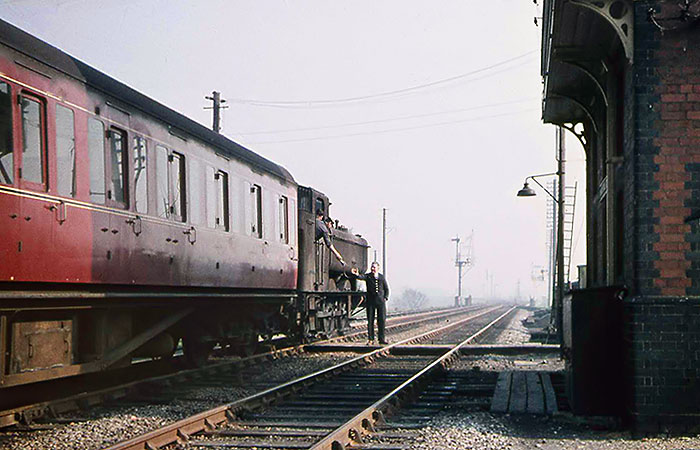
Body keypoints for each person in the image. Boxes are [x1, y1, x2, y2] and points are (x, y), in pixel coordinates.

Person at [351, 262, 389, 345]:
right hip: (371, 301)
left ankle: (381, 339)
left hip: (380, 302)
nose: (373, 269)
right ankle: (370, 339)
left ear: (378, 268)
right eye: (372, 267)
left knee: (381, 321)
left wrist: (385, 297)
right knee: (370, 321)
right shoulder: (368, 276)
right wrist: (357, 274)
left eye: (374, 267)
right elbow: (361, 277)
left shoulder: (381, 277)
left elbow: (386, 288)